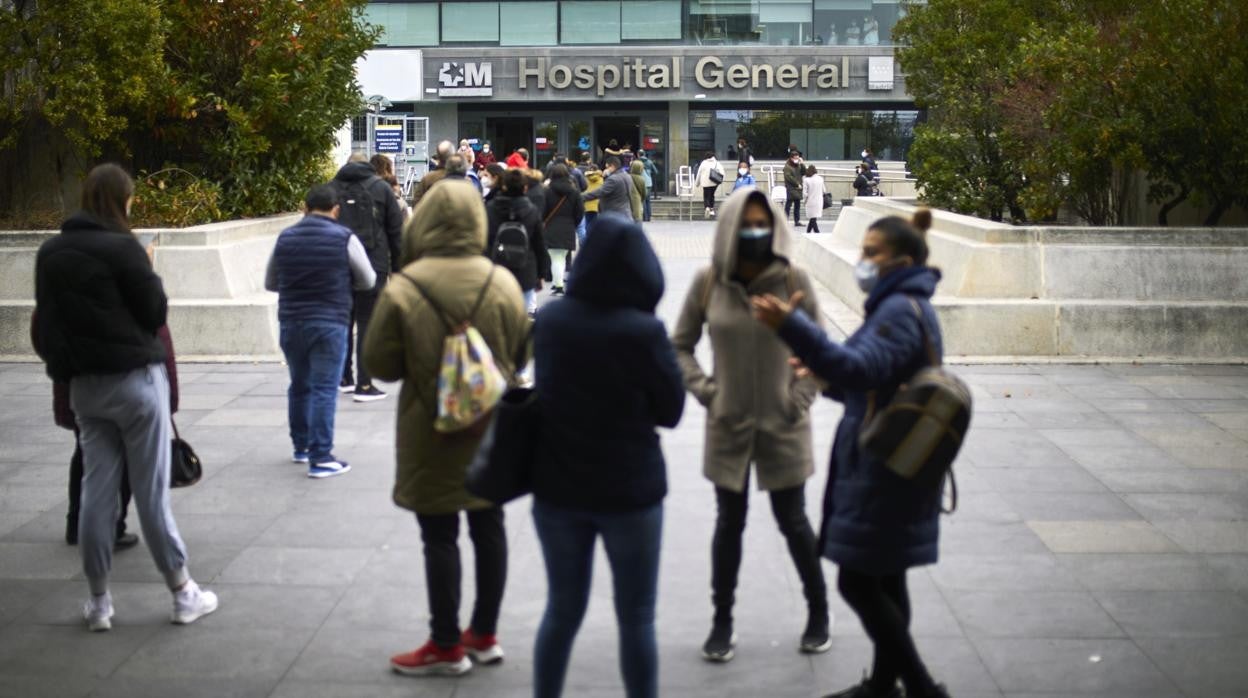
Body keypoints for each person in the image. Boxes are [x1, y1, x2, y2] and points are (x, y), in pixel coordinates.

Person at [751, 213, 951, 698]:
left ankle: (921, 689)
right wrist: (818, 366)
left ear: (901, 261)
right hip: (887, 458)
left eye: (872, 252)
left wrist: (795, 328)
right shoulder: (899, 306)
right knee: (886, 580)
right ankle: (885, 686)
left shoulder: (900, 310)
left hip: (885, 468)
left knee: (858, 584)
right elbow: (870, 386)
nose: (862, 261)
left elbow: (861, 370)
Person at [33, 163, 217, 632]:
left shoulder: (51, 253)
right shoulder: (124, 248)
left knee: (97, 491)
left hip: (84, 387)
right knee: (150, 491)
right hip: (136, 382)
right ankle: (182, 593)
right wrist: (148, 269)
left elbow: (45, 324)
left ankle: (98, 603)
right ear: (123, 201)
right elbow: (154, 310)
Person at [363, 180, 530, 678]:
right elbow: (523, 353)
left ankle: (443, 644)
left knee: (439, 534)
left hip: (430, 431)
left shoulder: (406, 287)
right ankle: (483, 633)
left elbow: (380, 365)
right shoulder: (500, 282)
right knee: (489, 524)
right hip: (492, 425)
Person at [671, 188, 830, 664]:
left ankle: (818, 610)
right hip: (729, 422)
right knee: (729, 524)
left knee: (794, 520)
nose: (755, 233)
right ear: (730, 229)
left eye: (763, 224)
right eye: (747, 224)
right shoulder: (708, 282)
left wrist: (799, 398)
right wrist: (706, 392)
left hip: (784, 423)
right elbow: (678, 345)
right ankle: (722, 619)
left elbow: (823, 351)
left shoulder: (792, 279)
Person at [531, 213, 686, 698]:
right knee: (637, 615)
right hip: (630, 489)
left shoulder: (553, 321)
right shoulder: (642, 331)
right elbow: (671, 410)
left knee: (561, 608)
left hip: (557, 487)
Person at [265, 184, 377, 476]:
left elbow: (271, 282)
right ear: (336, 210)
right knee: (324, 389)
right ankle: (321, 456)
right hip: (330, 321)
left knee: (299, 385)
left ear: (305, 207)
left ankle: (300, 447)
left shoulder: (285, 238)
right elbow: (367, 279)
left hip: (291, 321)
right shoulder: (344, 238)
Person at [330, 153, 404, 403]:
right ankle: (364, 383)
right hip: (374, 264)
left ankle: (344, 378)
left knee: (343, 321)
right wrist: (399, 269)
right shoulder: (381, 188)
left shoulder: (330, 188)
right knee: (367, 324)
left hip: (339, 265)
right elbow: (396, 232)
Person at [487, 168, 551, 316]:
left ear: (504, 186)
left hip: (496, 268)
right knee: (520, 317)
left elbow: (486, 239)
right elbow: (539, 244)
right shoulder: (532, 211)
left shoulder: (490, 208)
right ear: (525, 187)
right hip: (525, 269)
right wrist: (541, 273)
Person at [543, 164, 585, 296]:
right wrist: (573, 223)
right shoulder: (574, 191)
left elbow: (542, 210)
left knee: (555, 257)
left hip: (550, 227)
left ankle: (559, 286)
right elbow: (580, 212)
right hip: (568, 227)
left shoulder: (547, 191)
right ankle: (557, 284)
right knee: (560, 257)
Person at [413, 140, 456, 206]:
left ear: (438, 156)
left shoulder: (428, 179)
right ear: (453, 155)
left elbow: (416, 204)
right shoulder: (464, 180)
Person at [695, 152, 725, 219]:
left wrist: (697, 183)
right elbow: (722, 173)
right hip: (714, 182)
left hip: (705, 183)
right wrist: (721, 180)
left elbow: (699, 173)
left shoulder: (703, 163)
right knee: (712, 195)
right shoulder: (717, 163)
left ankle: (707, 207)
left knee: (706, 195)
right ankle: (711, 209)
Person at [582, 164, 604, 245]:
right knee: (595, 223)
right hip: (597, 204)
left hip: (587, 203)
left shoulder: (585, 179)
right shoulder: (601, 179)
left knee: (587, 223)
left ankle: (587, 241)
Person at [783, 150, 805, 227]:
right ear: (791, 158)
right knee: (788, 205)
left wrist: (802, 163)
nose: (797, 159)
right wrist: (797, 183)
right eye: (795, 158)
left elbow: (804, 172)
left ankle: (797, 221)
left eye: (798, 158)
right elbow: (788, 177)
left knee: (797, 205)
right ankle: (784, 221)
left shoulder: (798, 165)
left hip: (798, 188)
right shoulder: (787, 166)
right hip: (791, 188)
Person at [803, 165, 827, 234]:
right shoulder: (820, 179)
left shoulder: (806, 180)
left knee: (812, 217)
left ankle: (817, 232)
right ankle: (808, 232)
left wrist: (804, 201)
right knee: (813, 218)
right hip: (819, 201)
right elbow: (824, 190)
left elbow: (805, 193)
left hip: (810, 201)